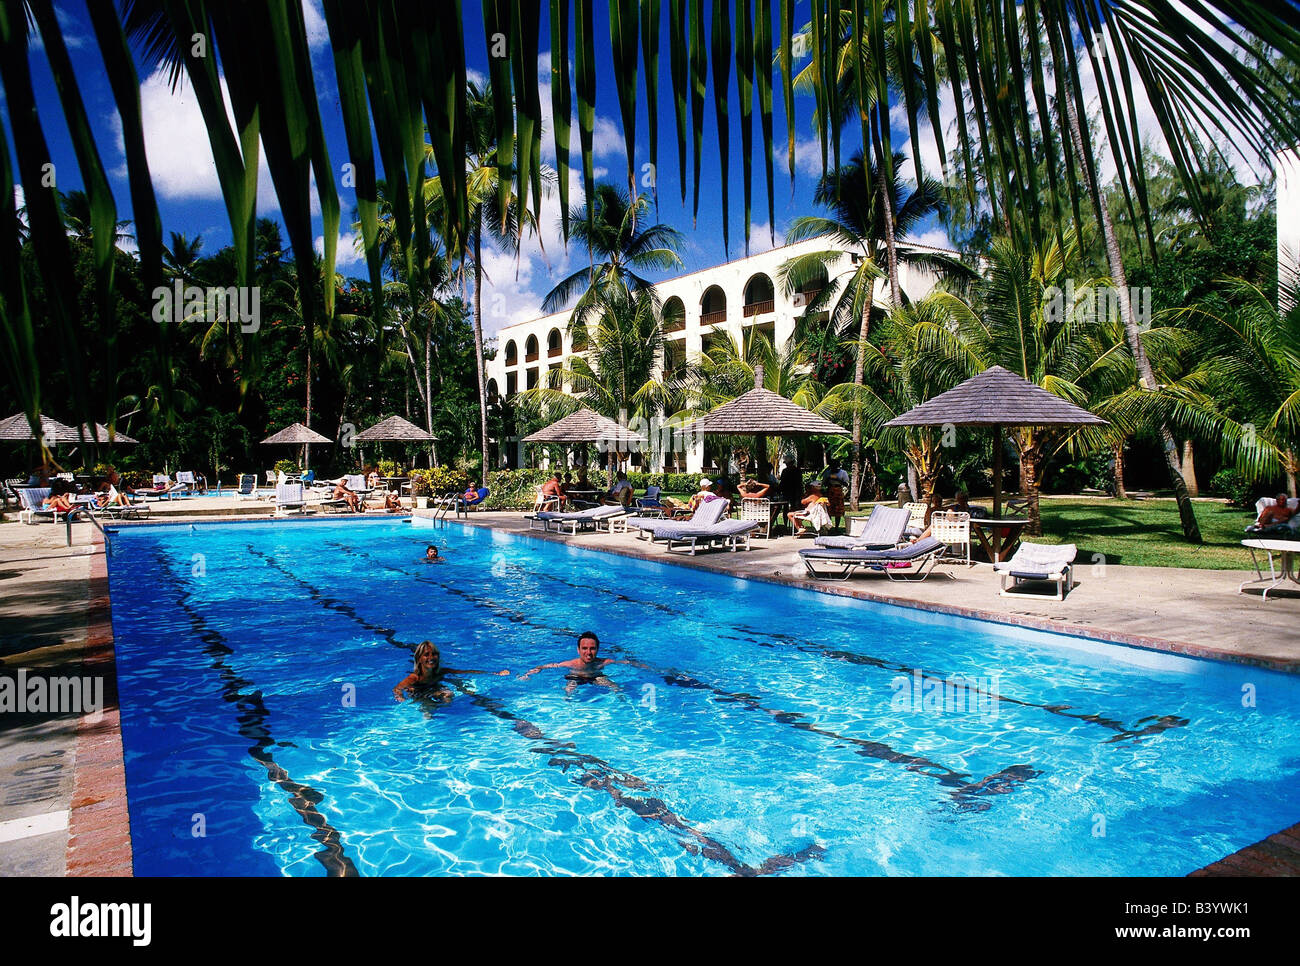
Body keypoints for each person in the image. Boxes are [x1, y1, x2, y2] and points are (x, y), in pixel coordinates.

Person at [519, 631, 643, 694]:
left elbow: (628, 662)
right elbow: (545, 666)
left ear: (597, 649)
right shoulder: (571, 664)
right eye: (584, 648)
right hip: (575, 677)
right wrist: (529, 673)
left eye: (592, 648)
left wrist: (653, 669)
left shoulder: (604, 662)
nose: (588, 652)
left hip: (596, 677)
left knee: (617, 689)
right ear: (578, 650)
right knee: (569, 693)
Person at [392, 641, 508, 703]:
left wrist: (495, 673)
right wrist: (401, 698)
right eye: (426, 655)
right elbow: (397, 688)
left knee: (448, 696)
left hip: (433, 688)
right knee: (429, 708)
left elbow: (465, 672)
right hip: (418, 692)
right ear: (419, 659)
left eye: (434, 654)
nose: (431, 658)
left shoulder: (441, 671)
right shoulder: (414, 678)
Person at [779, 460, 804, 529]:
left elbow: (782, 483)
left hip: (792, 493)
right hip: (792, 493)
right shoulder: (797, 470)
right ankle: (790, 526)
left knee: (791, 509)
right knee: (789, 509)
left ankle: (794, 526)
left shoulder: (787, 471)